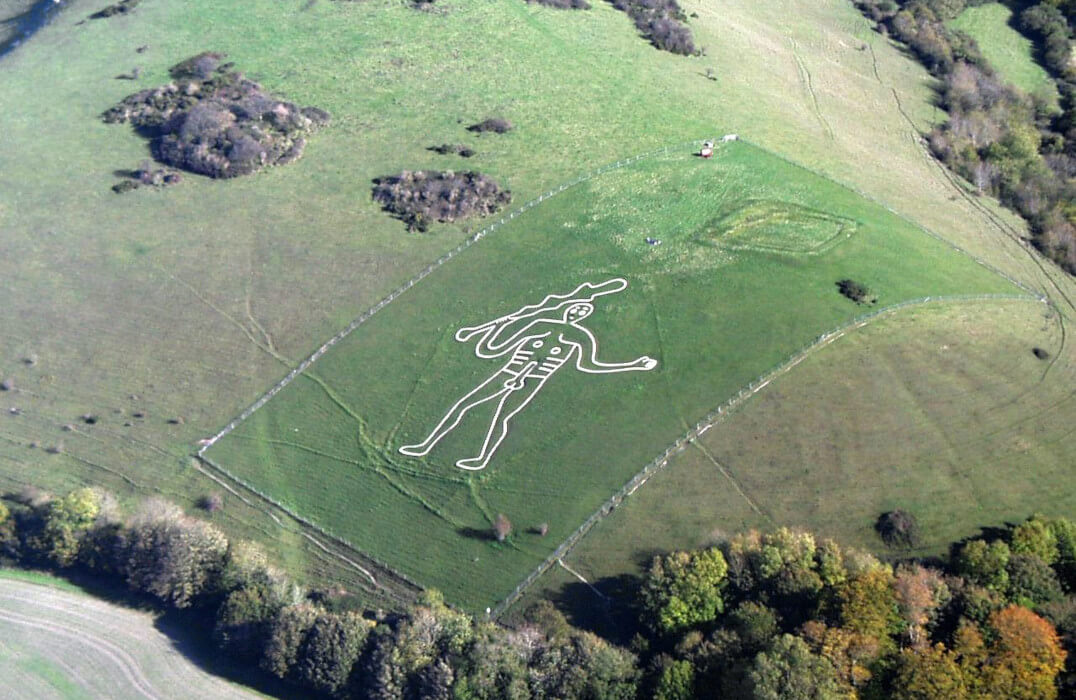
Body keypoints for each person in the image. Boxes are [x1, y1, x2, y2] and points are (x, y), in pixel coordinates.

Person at [399, 278, 657, 470]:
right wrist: (495, 329)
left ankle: (480, 458)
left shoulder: (580, 336)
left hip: (530, 382)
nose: (577, 312)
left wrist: (633, 365)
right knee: (464, 405)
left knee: (501, 418)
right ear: (568, 309)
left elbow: (588, 365)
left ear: (584, 316)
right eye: (576, 308)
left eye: (583, 312)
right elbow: (492, 350)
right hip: (506, 373)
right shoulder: (540, 324)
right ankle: (425, 446)